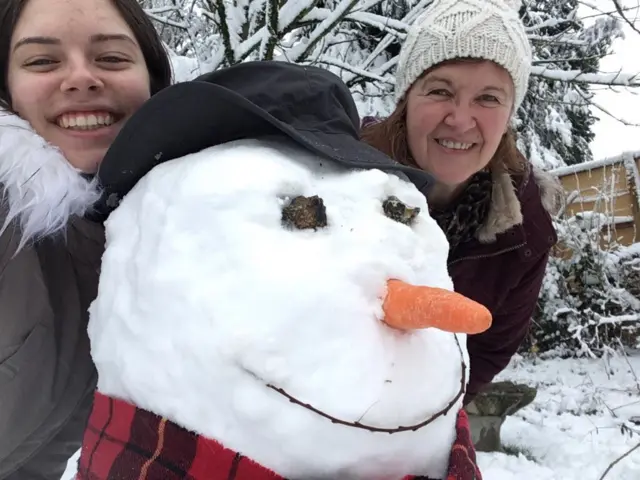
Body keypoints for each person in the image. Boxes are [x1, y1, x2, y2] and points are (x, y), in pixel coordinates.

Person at [361, 0, 563, 406]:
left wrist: (418, 411)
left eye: (488, 98)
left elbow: (486, 353)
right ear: (406, 99)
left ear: (509, 114)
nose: (460, 119)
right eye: (440, 90)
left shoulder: (524, 231)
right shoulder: (331, 173)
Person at [0, 0, 171, 477]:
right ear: (7, 91)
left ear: (153, 84)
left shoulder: (174, 231)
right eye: (42, 61)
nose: (80, 78)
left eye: (112, 58)